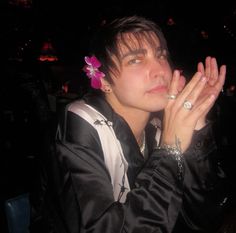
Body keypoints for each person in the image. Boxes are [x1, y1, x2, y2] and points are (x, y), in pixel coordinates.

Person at [30, 15, 231, 233]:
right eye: (136, 60)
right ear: (105, 81)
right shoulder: (80, 123)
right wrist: (170, 150)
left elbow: (202, 219)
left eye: (161, 55)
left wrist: (195, 124)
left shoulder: (158, 128)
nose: (160, 71)